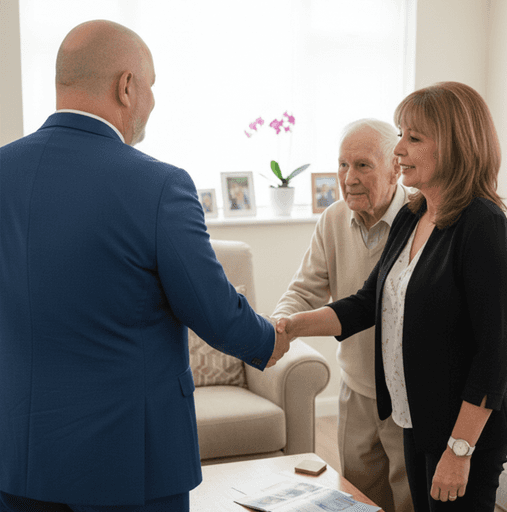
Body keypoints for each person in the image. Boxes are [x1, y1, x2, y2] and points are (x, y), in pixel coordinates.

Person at [0, 20, 291, 512]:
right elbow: (215, 312)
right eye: (151, 86)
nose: (152, 102)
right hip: (125, 461)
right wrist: (270, 337)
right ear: (127, 86)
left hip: (16, 453)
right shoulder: (159, 185)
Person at [276, 81, 507, 511]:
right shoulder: (415, 213)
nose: (399, 148)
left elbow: (493, 354)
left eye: (413, 138)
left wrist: (459, 452)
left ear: (456, 146)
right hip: (413, 419)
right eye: (400, 135)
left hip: (459, 434)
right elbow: (366, 303)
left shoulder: (483, 224)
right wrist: (289, 326)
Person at [271, 118, 413, 512]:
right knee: (360, 498)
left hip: (408, 396)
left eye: (363, 165)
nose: (349, 177)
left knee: (408, 500)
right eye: (343, 165)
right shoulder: (333, 218)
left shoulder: (421, 219)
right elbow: (305, 289)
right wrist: (278, 327)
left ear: (394, 168)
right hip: (356, 388)